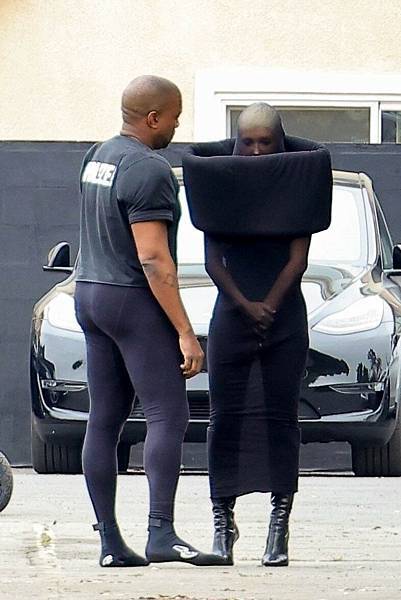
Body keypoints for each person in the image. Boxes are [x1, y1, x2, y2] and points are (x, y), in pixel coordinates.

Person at [74, 75, 225, 568]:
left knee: (105, 416)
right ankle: (162, 533)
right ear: (153, 117)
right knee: (168, 413)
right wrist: (185, 331)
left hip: (90, 293)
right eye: (175, 118)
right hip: (130, 300)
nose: (177, 127)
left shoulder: (98, 155)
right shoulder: (148, 168)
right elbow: (153, 258)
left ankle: (110, 543)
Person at [204, 103, 311, 566]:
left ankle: (279, 525)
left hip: (284, 316)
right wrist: (245, 305)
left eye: (265, 141)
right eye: (247, 141)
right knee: (224, 419)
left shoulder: (300, 187)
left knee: (281, 419)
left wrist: (269, 305)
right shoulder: (219, 186)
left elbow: (298, 259)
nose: (255, 150)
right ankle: (222, 524)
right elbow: (212, 261)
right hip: (232, 314)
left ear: (280, 143)